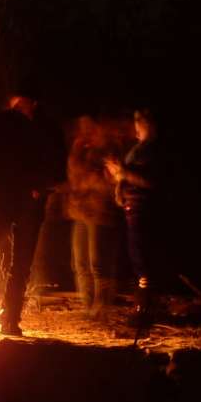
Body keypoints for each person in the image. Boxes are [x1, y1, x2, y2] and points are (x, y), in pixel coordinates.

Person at [0, 79, 58, 336]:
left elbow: (57, 171)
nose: (25, 107)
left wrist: (38, 187)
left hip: (23, 201)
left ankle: (10, 317)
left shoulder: (40, 129)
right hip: (12, 198)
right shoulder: (18, 126)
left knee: (15, 261)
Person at [64, 115, 123, 320]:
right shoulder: (81, 151)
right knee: (80, 264)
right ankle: (87, 306)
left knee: (98, 263)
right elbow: (74, 177)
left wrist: (93, 183)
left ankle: (103, 307)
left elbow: (110, 181)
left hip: (99, 212)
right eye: (82, 129)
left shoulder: (107, 150)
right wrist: (77, 149)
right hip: (80, 211)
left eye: (89, 128)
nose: (85, 131)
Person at [107, 108, 159, 326]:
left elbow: (150, 180)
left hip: (145, 209)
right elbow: (127, 175)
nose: (135, 126)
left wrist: (123, 173)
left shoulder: (154, 151)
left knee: (141, 255)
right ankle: (143, 307)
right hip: (132, 208)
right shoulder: (138, 150)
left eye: (140, 121)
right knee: (136, 253)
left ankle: (144, 309)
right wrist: (119, 181)